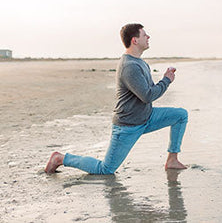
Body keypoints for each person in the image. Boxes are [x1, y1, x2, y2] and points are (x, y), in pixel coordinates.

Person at [45, 23, 188, 174]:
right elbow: (147, 96)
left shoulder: (141, 63)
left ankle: (172, 159)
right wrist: (166, 80)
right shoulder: (129, 66)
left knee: (180, 115)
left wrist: (165, 80)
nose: (148, 37)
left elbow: (150, 90)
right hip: (128, 126)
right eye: (144, 34)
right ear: (135, 40)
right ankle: (60, 158)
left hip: (147, 117)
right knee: (105, 169)